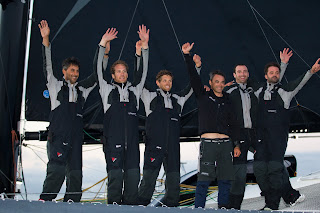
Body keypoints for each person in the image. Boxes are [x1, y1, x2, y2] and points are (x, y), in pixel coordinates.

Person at [224, 48, 301, 209]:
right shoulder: (229, 91)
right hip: (239, 136)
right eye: (239, 72)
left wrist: (284, 64)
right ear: (234, 74)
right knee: (246, 170)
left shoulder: (254, 89)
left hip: (256, 134)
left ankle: (285, 196)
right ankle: (235, 205)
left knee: (273, 164)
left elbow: (275, 81)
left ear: (248, 74)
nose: (243, 74)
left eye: (245, 71)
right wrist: (213, 89)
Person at [38, 20, 99, 202]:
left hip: (76, 138)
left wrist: (103, 50)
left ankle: (72, 203)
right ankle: (44, 202)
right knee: (56, 170)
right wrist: (46, 39)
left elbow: (97, 76)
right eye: (72, 70)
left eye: (77, 71)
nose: (75, 73)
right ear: (64, 71)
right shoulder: (55, 85)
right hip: (58, 136)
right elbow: (47, 65)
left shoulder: (82, 90)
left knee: (75, 174)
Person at [136, 43, 201, 207]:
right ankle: (140, 208)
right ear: (158, 82)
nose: (168, 83)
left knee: (174, 183)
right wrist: (140, 54)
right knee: (148, 181)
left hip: (172, 147)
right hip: (154, 146)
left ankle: (171, 208)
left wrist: (197, 68)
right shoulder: (149, 96)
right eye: (164, 80)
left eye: (170, 80)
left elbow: (192, 87)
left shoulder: (178, 100)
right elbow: (139, 78)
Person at [253, 58, 320, 210]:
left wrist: (311, 72)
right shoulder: (258, 91)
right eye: (271, 73)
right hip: (261, 138)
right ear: (265, 75)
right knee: (262, 169)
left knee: (275, 169)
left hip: (277, 139)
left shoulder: (285, 93)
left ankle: (272, 204)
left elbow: (299, 83)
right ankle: (291, 196)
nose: (275, 75)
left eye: (277, 72)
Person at [183, 42, 241, 209]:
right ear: (211, 82)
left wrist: (236, 144)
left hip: (226, 145)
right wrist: (187, 57)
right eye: (217, 81)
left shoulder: (228, 101)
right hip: (208, 144)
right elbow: (193, 77)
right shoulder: (203, 96)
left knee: (225, 180)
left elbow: (234, 124)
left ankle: (222, 209)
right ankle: (198, 209)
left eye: (222, 82)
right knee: (204, 181)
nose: (220, 84)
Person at [95, 25, 149, 205]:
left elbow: (143, 73)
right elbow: (97, 70)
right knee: (115, 181)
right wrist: (103, 43)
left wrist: (143, 49)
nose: (123, 73)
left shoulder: (135, 91)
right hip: (113, 145)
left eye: (124, 71)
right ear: (113, 74)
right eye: (119, 71)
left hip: (133, 145)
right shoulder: (106, 89)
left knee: (133, 181)